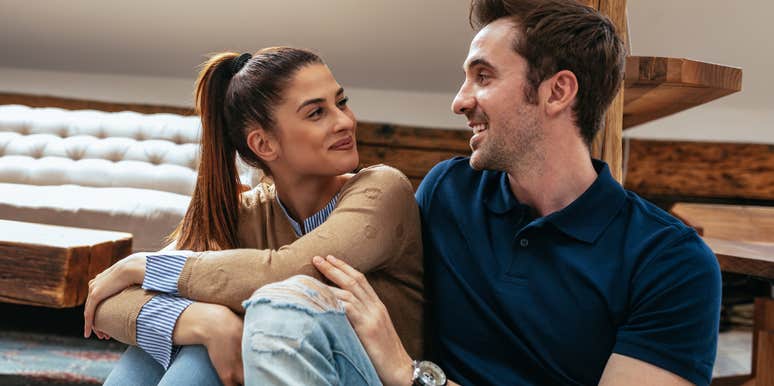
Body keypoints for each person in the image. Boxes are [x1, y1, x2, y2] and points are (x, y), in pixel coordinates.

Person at [242, 1, 722, 385]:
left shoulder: (671, 263)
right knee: (279, 306)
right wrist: (195, 316)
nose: (459, 100)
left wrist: (411, 374)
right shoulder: (448, 192)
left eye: (484, 76)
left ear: (557, 93)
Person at [81, 47, 425, 386]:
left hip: (366, 378)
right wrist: (210, 321)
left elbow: (289, 269)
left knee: (221, 335)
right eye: (317, 113)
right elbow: (108, 301)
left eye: (341, 102)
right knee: (187, 339)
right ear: (263, 145)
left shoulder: (383, 190)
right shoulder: (244, 213)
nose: (345, 121)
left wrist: (140, 265)